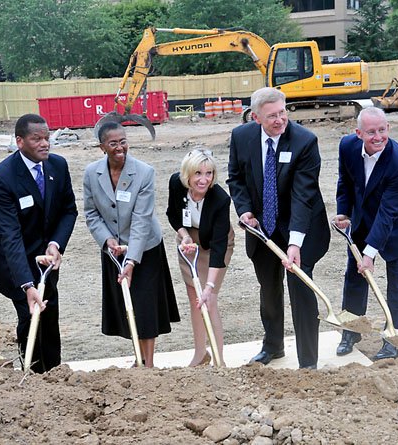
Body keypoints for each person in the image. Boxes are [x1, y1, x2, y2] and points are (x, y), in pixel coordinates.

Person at [227, 87, 330, 369]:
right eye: (272, 115)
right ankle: (273, 346)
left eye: (283, 112)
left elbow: (303, 195)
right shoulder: (241, 136)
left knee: (301, 289)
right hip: (262, 229)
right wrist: (245, 210)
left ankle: (308, 360)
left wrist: (294, 243)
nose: (280, 120)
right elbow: (235, 177)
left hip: (301, 228)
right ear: (256, 117)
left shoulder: (304, 142)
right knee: (269, 289)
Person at [84, 121, 180, 368]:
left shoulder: (144, 172)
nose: (120, 148)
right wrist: (107, 240)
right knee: (128, 307)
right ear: (102, 146)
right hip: (113, 249)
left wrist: (132, 260)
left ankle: (148, 364)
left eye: (123, 141)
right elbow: (91, 213)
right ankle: (138, 358)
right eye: (113, 143)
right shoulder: (91, 173)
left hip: (144, 249)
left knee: (146, 306)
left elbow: (142, 219)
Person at [0, 114, 78, 373]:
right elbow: (9, 235)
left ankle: (53, 373)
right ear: (20, 141)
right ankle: (32, 372)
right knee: (30, 314)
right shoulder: (3, 177)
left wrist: (55, 244)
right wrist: (26, 283)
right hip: (15, 262)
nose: (44, 144)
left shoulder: (58, 167)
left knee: (49, 313)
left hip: (47, 259)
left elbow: (68, 211)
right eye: (36, 139)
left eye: (47, 138)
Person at [333, 106, 398, 361]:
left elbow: (388, 213)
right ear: (358, 133)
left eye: (382, 130)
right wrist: (344, 213)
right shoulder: (347, 146)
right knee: (354, 277)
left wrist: (370, 254)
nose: (378, 137)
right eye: (371, 132)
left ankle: (394, 339)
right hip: (362, 221)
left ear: (388, 129)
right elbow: (345, 181)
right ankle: (351, 331)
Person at [166, 149, 234, 367]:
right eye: (197, 173)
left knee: (209, 299)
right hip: (190, 241)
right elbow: (172, 214)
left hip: (215, 242)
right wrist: (184, 236)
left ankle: (219, 361)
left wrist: (210, 285)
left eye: (209, 173)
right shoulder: (176, 184)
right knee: (196, 300)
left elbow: (219, 247)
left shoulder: (220, 200)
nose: (203, 180)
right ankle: (200, 354)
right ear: (187, 175)